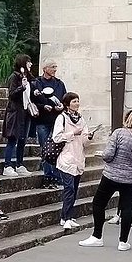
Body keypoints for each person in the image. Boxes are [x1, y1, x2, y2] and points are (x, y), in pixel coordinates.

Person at [79, 107, 132, 250]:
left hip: (111, 175)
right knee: (127, 207)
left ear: (129, 118)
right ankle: (123, 242)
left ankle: (97, 236)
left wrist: (103, 155)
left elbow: (108, 155)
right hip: (131, 178)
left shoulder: (119, 133)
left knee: (99, 203)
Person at [53, 92, 93, 230]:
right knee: (69, 188)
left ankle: (66, 216)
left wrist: (88, 137)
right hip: (66, 157)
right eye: (74, 101)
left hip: (78, 157)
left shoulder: (81, 119)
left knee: (74, 189)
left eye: (78, 101)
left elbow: (84, 141)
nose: (77, 103)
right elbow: (56, 137)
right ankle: (67, 217)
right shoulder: (61, 118)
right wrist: (72, 134)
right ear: (67, 103)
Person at [31, 60, 68, 187]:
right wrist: (43, 106)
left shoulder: (59, 83)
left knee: (57, 147)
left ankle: (57, 176)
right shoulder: (36, 83)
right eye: (52, 67)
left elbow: (65, 99)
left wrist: (62, 107)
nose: (55, 69)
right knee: (45, 149)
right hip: (42, 120)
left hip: (57, 120)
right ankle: (48, 176)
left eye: (55, 67)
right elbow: (32, 101)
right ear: (45, 68)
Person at [2, 54, 33, 176]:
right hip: (15, 112)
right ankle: (7, 165)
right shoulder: (14, 77)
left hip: (25, 112)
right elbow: (12, 94)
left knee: (22, 140)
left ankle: (19, 164)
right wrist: (22, 87)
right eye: (28, 62)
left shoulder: (27, 77)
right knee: (12, 139)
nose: (30, 64)